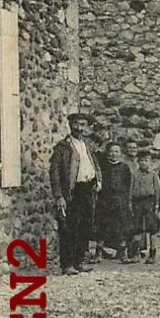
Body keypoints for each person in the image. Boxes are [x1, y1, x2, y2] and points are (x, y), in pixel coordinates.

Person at [49, 113, 102, 275]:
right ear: (70, 125)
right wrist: (59, 196)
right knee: (70, 227)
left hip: (88, 190)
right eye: (77, 124)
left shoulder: (86, 145)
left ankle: (79, 261)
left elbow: (94, 164)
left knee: (85, 226)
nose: (79, 128)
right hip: (72, 192)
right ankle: (67, 264)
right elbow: (54, 172)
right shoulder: (62, 147)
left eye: (82, 125)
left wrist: (98, 180)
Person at [96, 142, 134, 263]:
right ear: (108, 153)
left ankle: (122, 253)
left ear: (120, 154)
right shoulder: (103, 167)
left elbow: (128, 186)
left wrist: (127, 201)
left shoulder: (124, 168)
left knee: (121, 226)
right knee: (102, 225)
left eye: (117, 151)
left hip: (120, 201)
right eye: (112, 151)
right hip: (105, 200)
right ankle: (98, 253)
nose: (114, 154)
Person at [129, 148, 160, 264]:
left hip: (150, 202)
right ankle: (135, 253)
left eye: (146, 160)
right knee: (137, 227)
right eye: (141, 160)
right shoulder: (134, 174)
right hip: (137, 202)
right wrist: (130, 203)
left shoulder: (153, 175)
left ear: (150, 162)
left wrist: (157, 205)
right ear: (138, 162)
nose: (144, 163)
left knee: (152, 228)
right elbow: (130, 189)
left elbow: (157, 191)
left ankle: (152, 254)